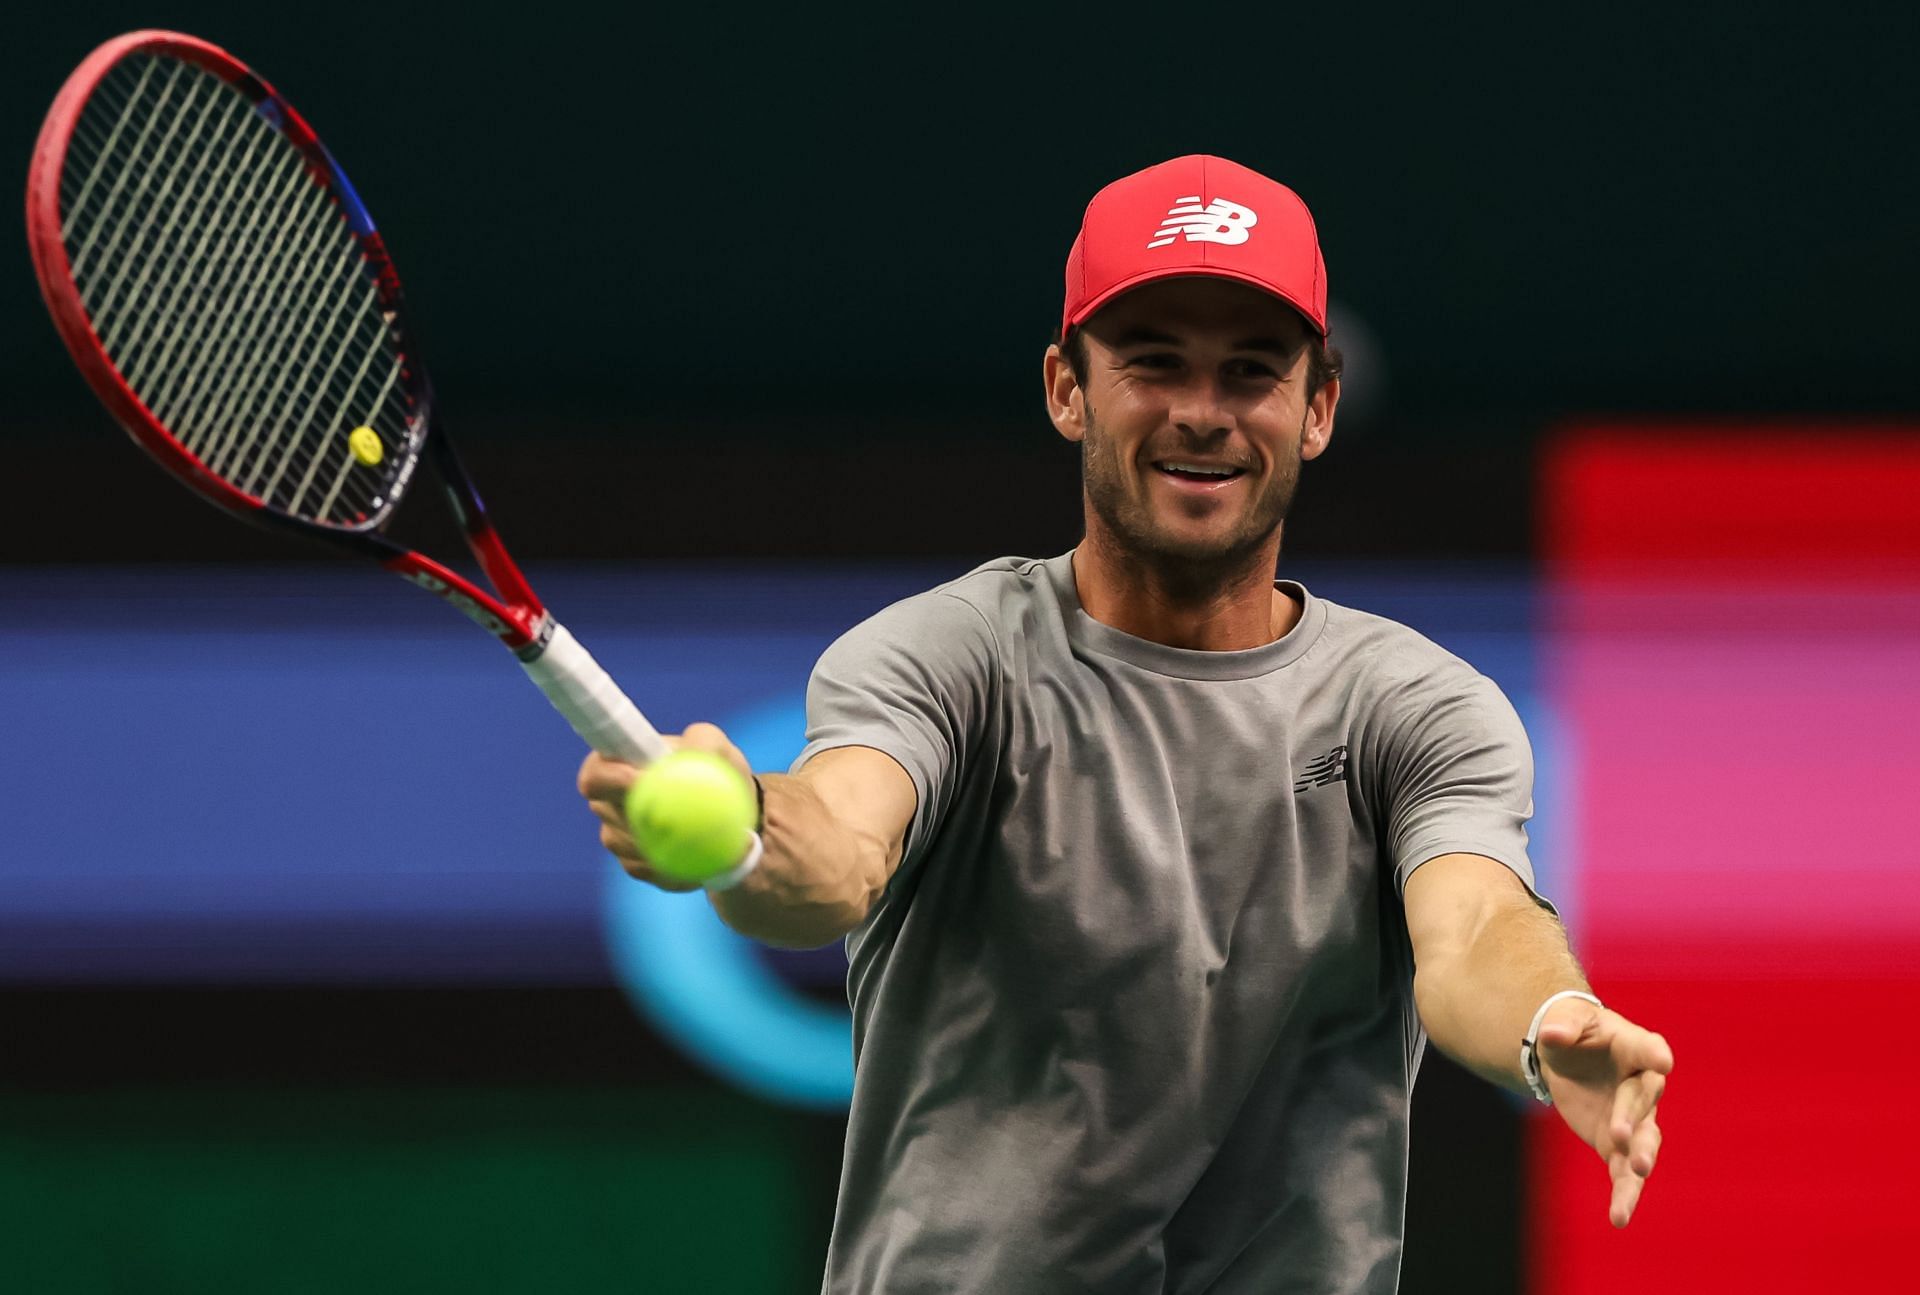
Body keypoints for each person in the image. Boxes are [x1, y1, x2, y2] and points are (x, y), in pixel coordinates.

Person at [579, 155, 1673, 1294]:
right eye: (1154, 364)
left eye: (1251, 370)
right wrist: (743, 828)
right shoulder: (949, 655)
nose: (1204, 412)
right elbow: (836, 854)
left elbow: (1477, 928)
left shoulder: (1415, 706)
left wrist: (1550, 1017)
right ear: (1067, 388)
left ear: (1319, 408)